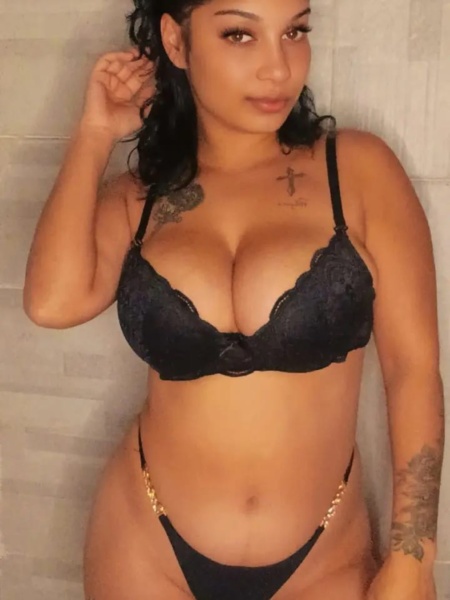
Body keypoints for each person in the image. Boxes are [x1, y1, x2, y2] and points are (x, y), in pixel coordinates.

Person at [23, 0, 445, 599]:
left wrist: (413, 559)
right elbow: (51, 302)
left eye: (295, 31)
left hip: (324, 561)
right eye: (240, 35)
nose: (279, 67)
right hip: (145, 547)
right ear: (177, 42)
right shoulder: (141, 199)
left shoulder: (355, 169)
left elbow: (413, 371)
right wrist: (94, 135)